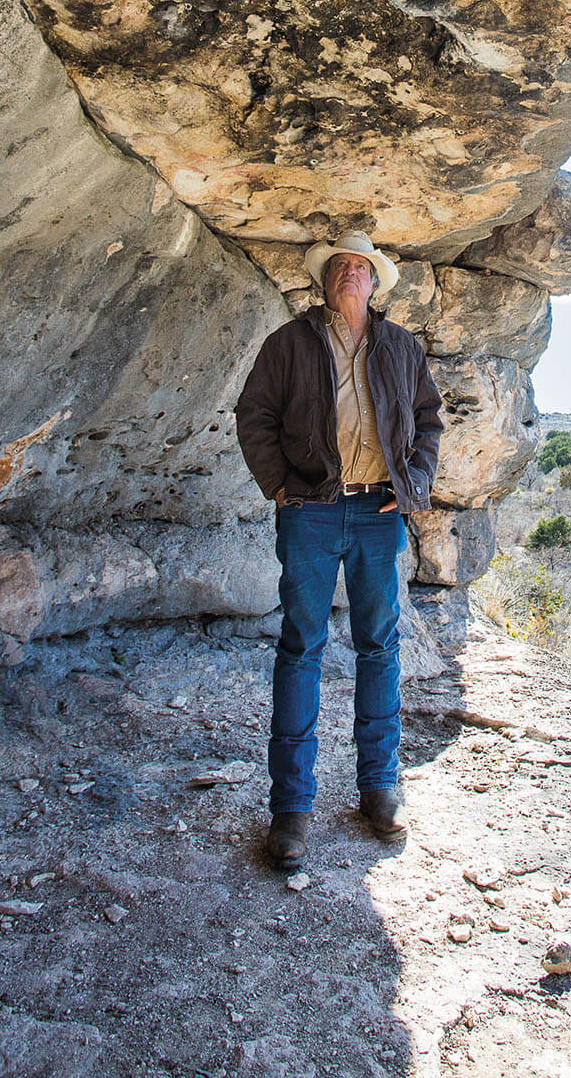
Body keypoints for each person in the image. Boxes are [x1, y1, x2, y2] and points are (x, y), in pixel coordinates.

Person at [235, 230, 443, 873]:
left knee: (380, 645)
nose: (350, 274)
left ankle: (379, 790)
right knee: (301, 647)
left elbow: (428, 421)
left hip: (380, 511)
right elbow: (254, 415)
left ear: (375, 283)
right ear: (326, 281)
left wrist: (413, 486)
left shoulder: (402, 347)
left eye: (361, 267)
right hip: (312, 511)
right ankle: (291, 808)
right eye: (340, 267)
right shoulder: (290, 343)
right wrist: (280, 487)